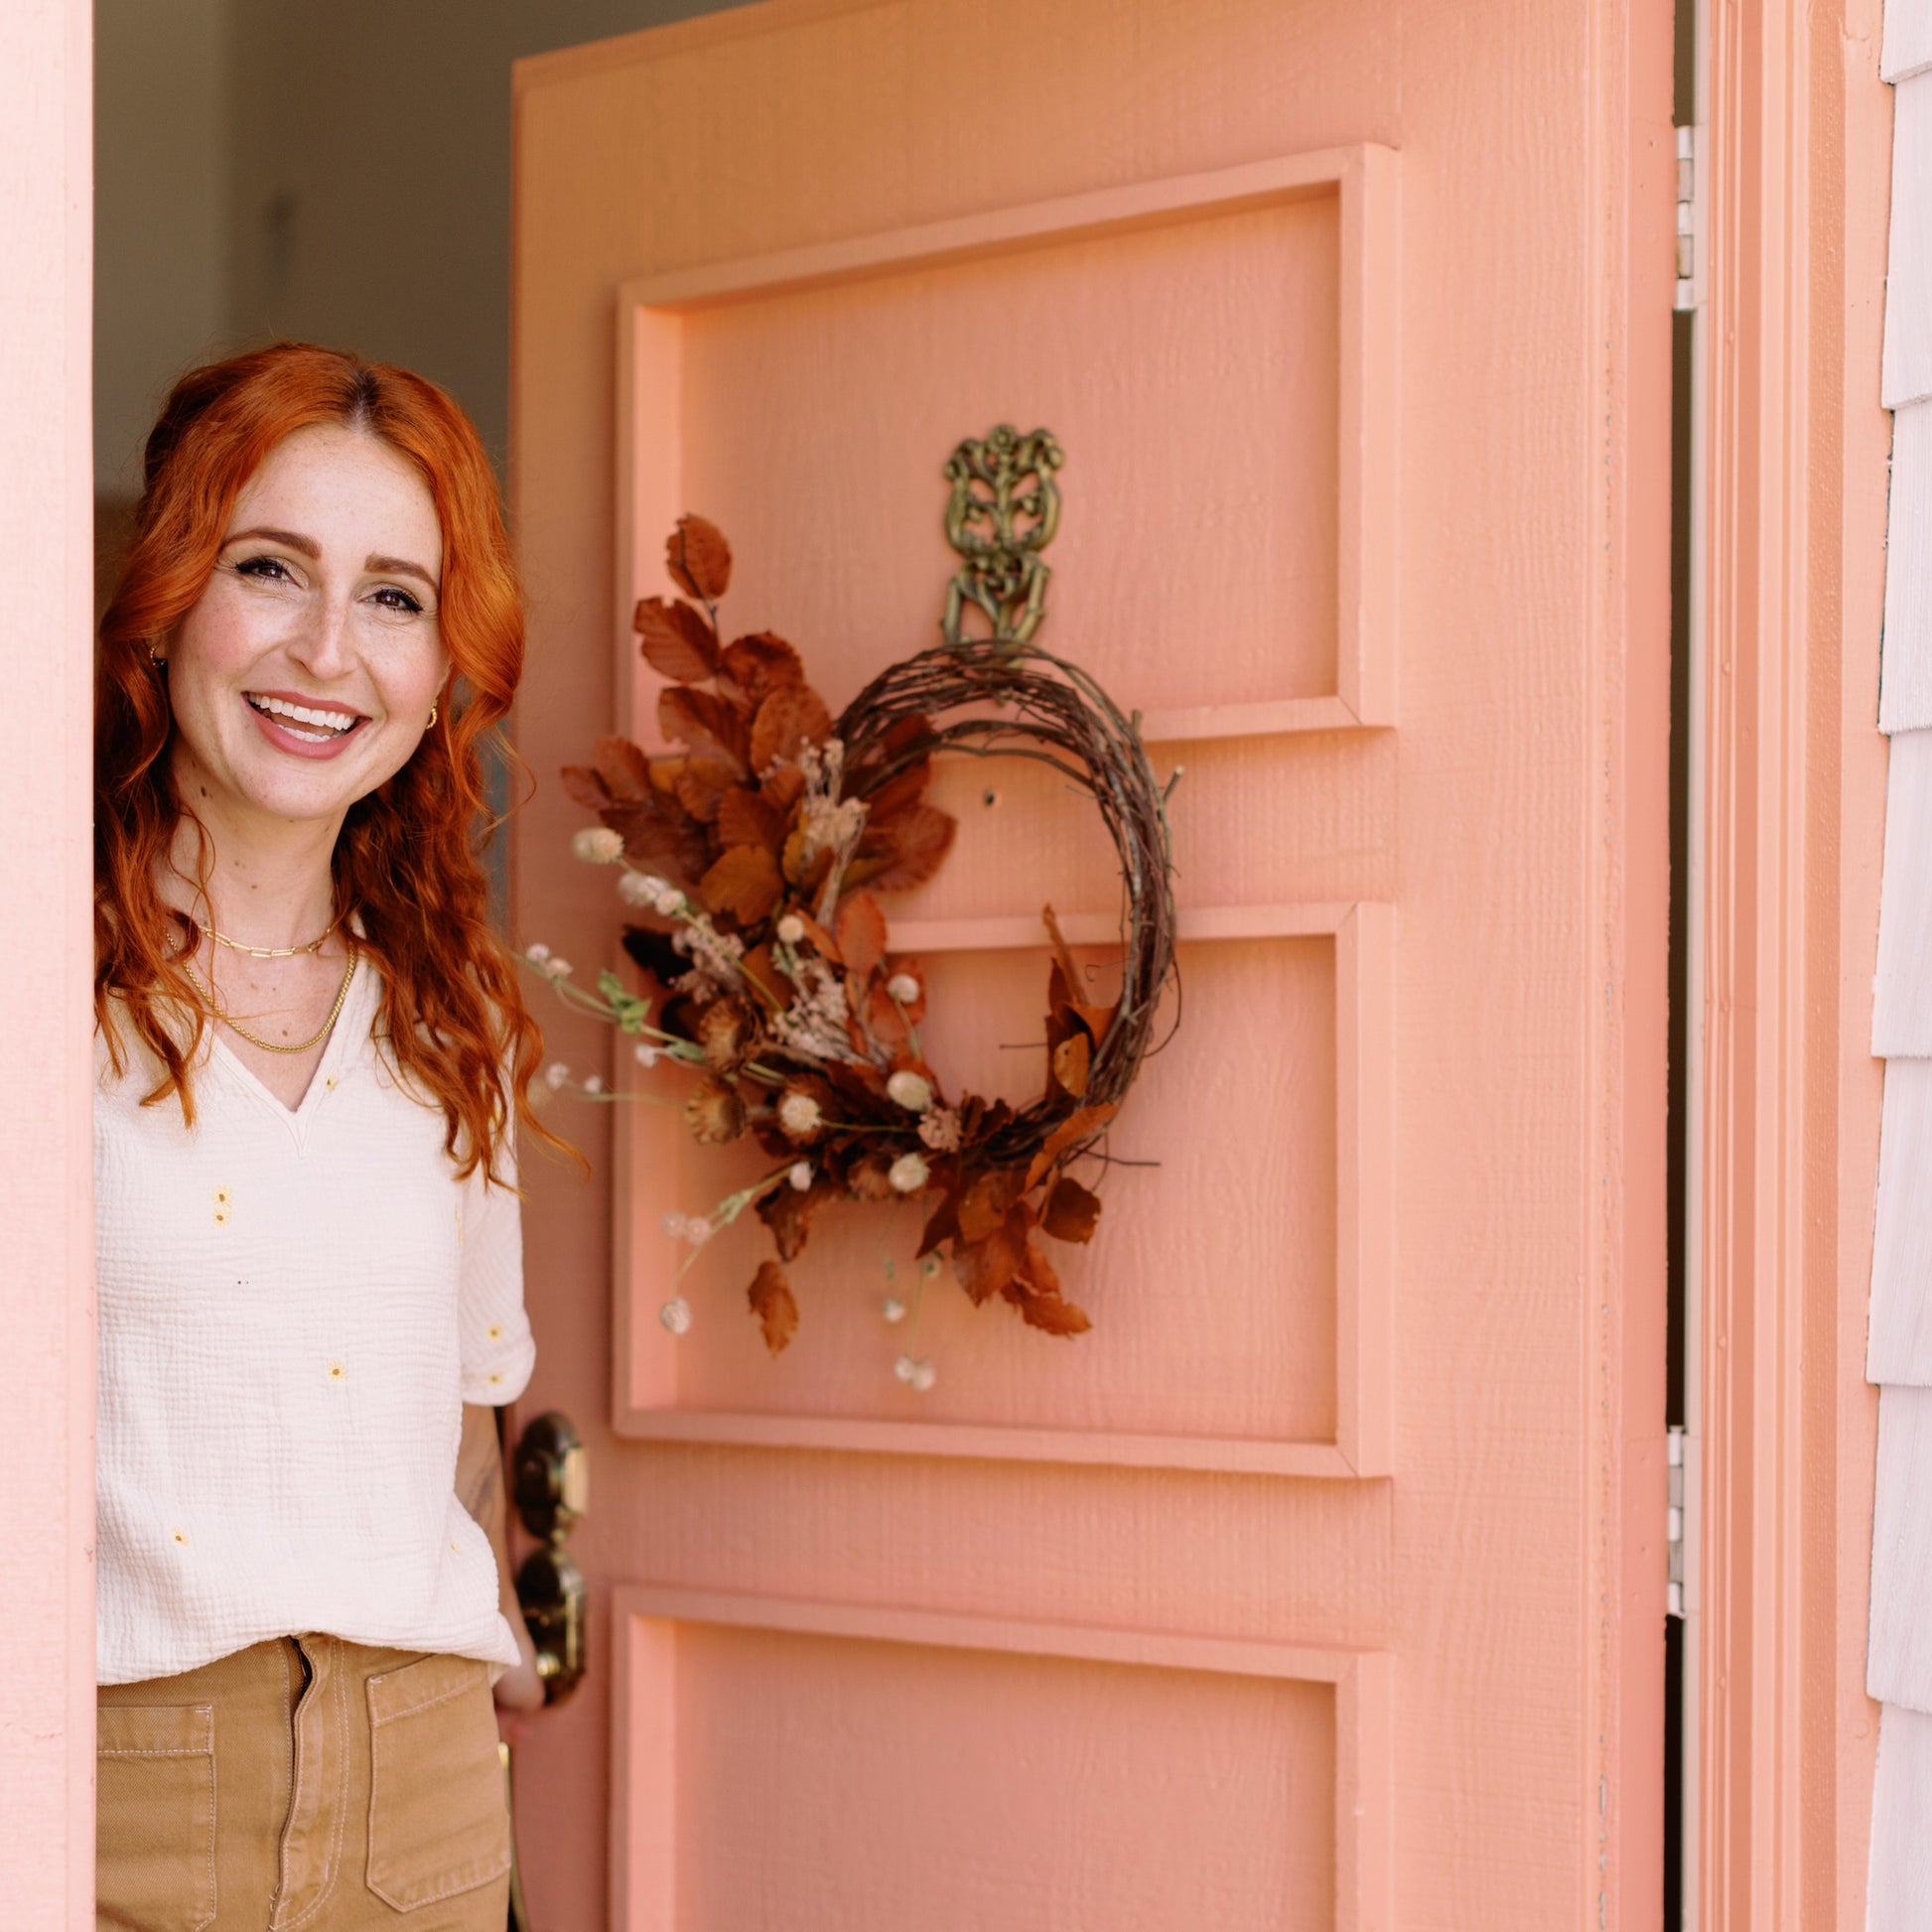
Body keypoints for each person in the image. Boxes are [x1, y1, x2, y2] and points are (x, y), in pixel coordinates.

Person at [92, 343, 558, 1930]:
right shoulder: (45, 1000)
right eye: (270, 567)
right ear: (166, 598)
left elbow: (468, 1429)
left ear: (443, 669)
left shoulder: (452, 1026)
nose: (323, 650)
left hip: (418, 1804)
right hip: (97, 1800)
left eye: (393, 596)